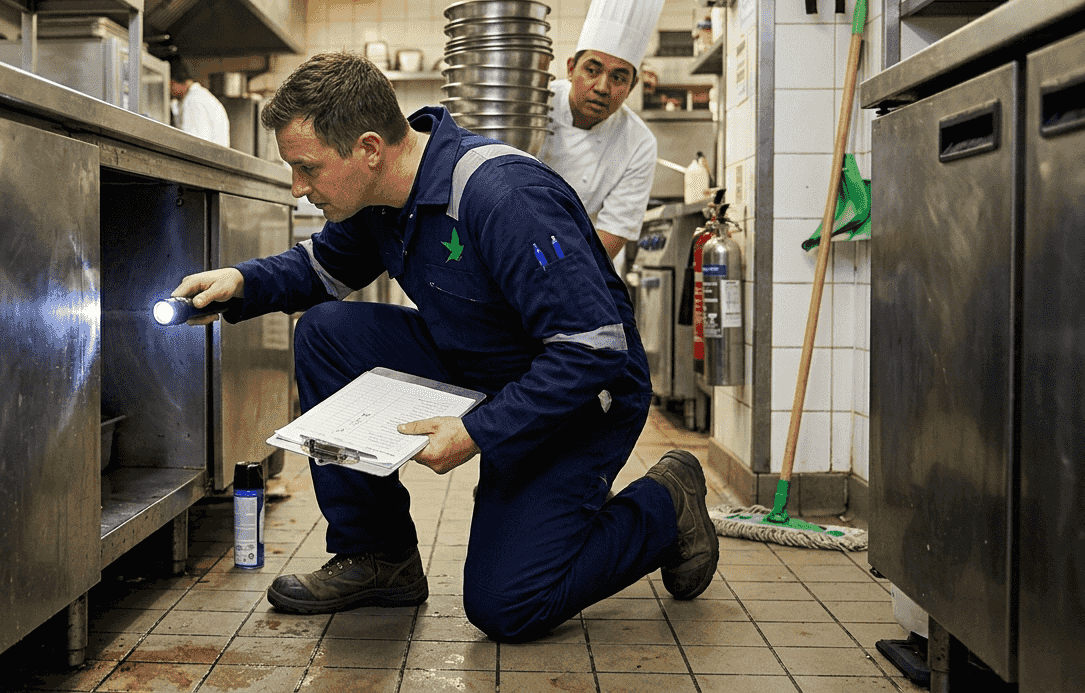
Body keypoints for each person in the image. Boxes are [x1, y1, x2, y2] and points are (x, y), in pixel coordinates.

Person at [170, 51, 719, 643]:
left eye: (307, 169)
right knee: (328, 331)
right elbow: (320, 268)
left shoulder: (502, 196)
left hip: (578, 395)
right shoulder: (380, 197)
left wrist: (480, 432)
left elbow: (593, 348)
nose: (299, 190)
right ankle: (378, 558)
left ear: (369, 148)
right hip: (479, 360)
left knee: (507, 604)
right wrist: (244, 283)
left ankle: (667, 502)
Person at [537, 0, 666, 269]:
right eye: (592, 70)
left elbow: (612, 234)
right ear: (570, 68)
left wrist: (549, 272)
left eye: (618, 77)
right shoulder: (535, 103)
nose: (602, 87)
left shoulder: (639, 143)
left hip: (579, 263)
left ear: (632, 87)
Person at [165, 54, 230, 147]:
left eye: (168, 85)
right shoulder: (200, 96)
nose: (167, 90)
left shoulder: (193, 101)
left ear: (173, 81)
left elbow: (193, 145)